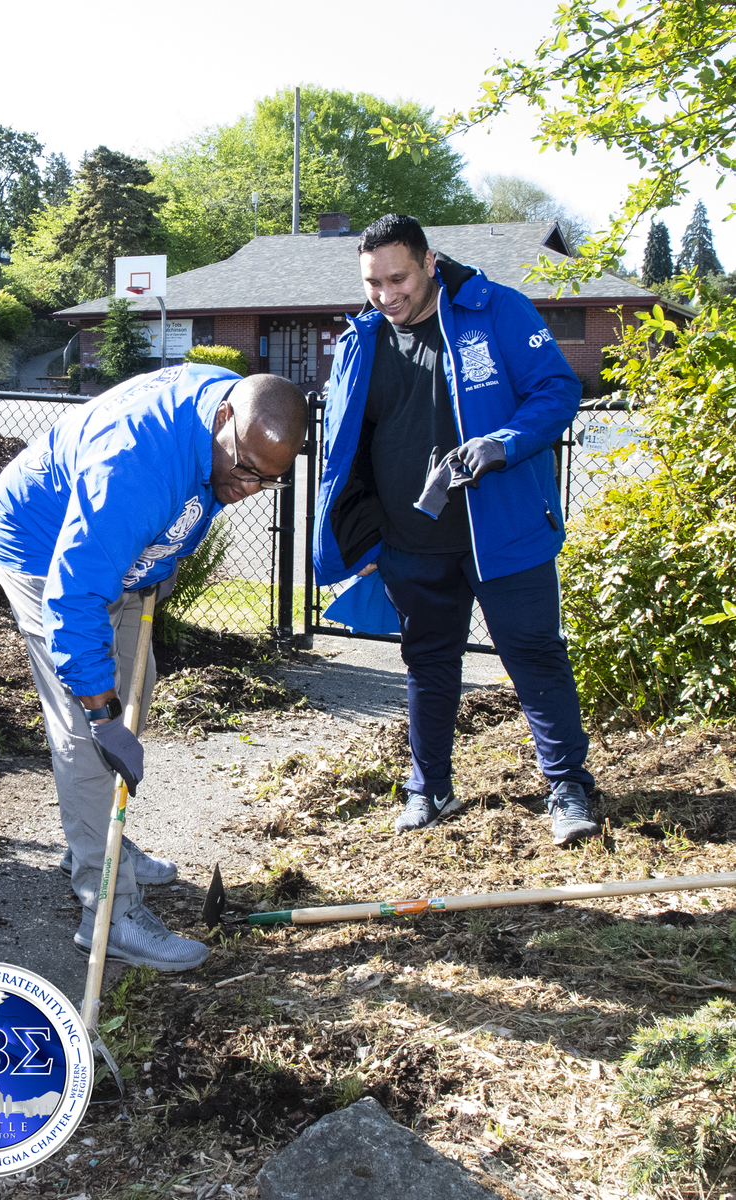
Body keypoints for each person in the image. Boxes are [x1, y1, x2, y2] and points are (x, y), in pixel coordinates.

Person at [0, 365, 307, 972]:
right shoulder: (132, 466)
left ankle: (100, 837)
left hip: (127, 556)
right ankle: (107, 912)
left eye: (268, 481)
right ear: (222, 420)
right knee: (89, 737)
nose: (249, 488)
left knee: (138, 689)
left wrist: (163, 556)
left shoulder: (231, 413)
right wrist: (100, 714)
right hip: (44, 551)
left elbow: (192, 498)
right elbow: (73, 597)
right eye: (243, 470)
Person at [313, 213, 600, 846]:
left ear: (429, 262)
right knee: (429, 663)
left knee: (533, 655)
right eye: (372, 283)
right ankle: (430, 787)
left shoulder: (497, 310)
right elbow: (345, 445)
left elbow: (556, 389)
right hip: (410, 544)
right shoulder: (364, 339)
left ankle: (568, 787)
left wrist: (505, 442)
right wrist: (360, 533)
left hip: (505, 533)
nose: (386, 295)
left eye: (398, 279)